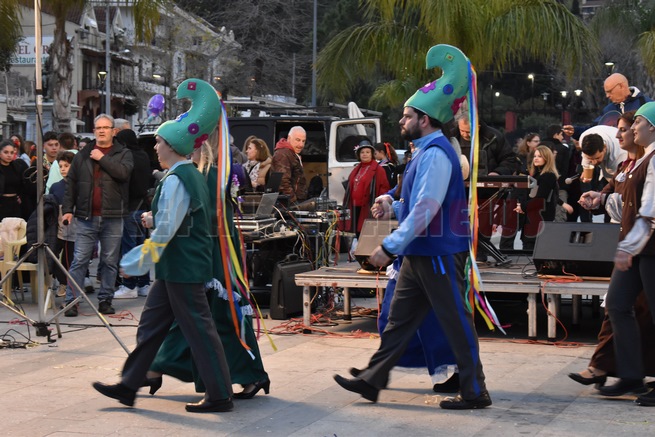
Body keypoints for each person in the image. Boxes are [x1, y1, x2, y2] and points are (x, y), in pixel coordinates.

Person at [334, 44, 491, 410]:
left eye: (407, 116)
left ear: (425, 119)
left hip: (437, 253)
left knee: (455, 322)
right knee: (398, 322)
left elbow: (426, 208)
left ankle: (474, 390)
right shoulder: (426, 152)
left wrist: (390, 245)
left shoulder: (435, 154)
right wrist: (393, 204)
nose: (401, 121)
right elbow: (419, 203)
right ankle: (372, 380)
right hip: (422, 253)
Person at [92, 78, 234, 413]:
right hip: (177, 266)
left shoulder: (178, 178)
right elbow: (176, 220)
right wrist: (154, 223)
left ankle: (219, 394)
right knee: (152, 325)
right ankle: (130, 383)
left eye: (158, 142)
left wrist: (141, 255)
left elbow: (169, 226)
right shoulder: (187, 175)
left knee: (199, 329)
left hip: (182, 266)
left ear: (172, 145)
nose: (155, 147)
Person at [144, 132, 270, 399]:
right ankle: (155, 367)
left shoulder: (207, 174)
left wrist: (156, 219)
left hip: (211, 253)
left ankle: (246, 375)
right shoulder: (210, 172)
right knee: (203, 317)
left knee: (216, 316)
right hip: (207, 252)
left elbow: (203, 216)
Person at [576, 102, 655, 405]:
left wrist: (628, 246)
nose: (632, 129)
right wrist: (602, 198)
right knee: (618, 305)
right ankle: (631, 375)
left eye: (638, 123)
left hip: (648, 248)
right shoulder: (640, 161)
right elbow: (631, 201)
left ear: (652, 127)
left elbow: (650, 212)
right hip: (636, 247)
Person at [61, 114, 134, 317]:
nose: (101, 131)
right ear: (94, 131)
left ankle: (105, 300)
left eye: (105, 127)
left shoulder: (124, 153)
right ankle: (71, 301)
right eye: (98, 128)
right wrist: (67, 209)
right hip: (86, 217)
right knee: (80, 260)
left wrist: (102, 158)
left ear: (113, 131)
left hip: (113, 216)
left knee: (109, 261)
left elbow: (123, 173)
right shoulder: (83, 154)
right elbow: (71, 184)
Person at [113, 129, 152, 299]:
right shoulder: (143, 155)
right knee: (142, 247)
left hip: (130, 207)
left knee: (129, 247)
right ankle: (143, 284)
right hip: (143, 207)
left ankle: (129, 286)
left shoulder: (127, 156)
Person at [515, 145, 572, 251]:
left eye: (540, 156)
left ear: (547, 158)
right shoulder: (539, 175)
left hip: (539, 218)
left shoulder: (547, 176)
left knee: (533, 249)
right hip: (533, 217)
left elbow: (540, 198)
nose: (536, 158)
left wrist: (522, 207)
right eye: (535, 156)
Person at [342, 141, 390, 236]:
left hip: (369, 206)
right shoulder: (356, 169)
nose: (365, 154)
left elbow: (384, 188)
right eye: (362, 152)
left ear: (372, 154)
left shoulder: (378, 169)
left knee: (366, 233)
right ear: (358, 155)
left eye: (367, 152)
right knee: (356, 233)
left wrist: (379, 204)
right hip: (354, 207)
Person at [49, 151, 76, 297]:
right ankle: (63, 281)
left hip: (74, 229)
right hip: (58, 228)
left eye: (66, 165)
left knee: (70, 259)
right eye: (60, 166)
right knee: (51, 256)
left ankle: (68, 286)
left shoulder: (79, 186)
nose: (63, 169)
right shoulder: (55, 187)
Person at [271, 126, 307, 203]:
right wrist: (293, 202)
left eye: (303, 141)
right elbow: (283, 181)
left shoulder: (290, 153)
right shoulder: (282, 154)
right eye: (298, 140)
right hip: (288, 203)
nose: (301, 144)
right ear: (289, 138)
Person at [0, 140, 29, 222]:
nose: (9, 155)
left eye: (12, 152)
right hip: (2, 204)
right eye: (6, 152)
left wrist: (20, 197)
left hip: (15, 204)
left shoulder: (17, 167)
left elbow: (22, 184)